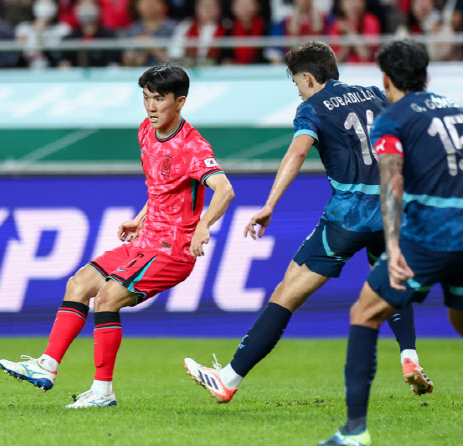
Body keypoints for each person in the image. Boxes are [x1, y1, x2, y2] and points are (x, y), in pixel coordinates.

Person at [183, 41, 428, 404]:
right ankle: (410, 356)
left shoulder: (311, 107)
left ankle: (228, 379)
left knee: (286, 294)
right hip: (391, 209)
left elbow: (297, 151)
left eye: (296, 81)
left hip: (348, 218)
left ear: (309, 78)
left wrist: (269, 204)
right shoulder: (375, 94)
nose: (297, 88)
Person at [0, 62, 235, 409]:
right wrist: (140, 219)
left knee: (107, 298)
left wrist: (203, 226)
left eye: (159, 99)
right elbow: (162, 188)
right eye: (146, 98)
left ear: (180, 101)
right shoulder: (145, 131)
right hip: (146, 240)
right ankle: (46, 365)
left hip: (172, 249)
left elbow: (225, 190)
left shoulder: (193, 146)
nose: (151, 107)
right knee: (79, 283)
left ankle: (102, 392)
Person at [320, 38, 463, 446]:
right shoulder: (456, 110)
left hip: (429, 237)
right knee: (460, 321)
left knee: (364, 313)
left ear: (385, 78)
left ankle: (355, 431)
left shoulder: (391, 119)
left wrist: (394, 246)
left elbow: (392, 183)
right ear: (425, 73)